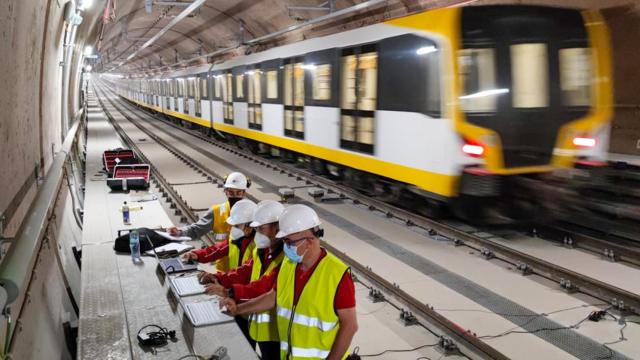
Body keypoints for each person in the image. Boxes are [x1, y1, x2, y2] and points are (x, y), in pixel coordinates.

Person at [221, 204, 358, 360]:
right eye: (284, 241)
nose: (286, 247)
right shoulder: (289, 264)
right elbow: (272, 297)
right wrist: (237, 309)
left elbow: (350, 326)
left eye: (290, 242)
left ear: (310, 240)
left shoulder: (337, 274)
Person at [202, 200, 285, 360]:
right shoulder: (263, 250)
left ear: (277, 227)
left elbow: (264, 287)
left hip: (275, 331)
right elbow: (244, 271)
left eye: (261, 229)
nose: (257, 233)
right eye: (256, 229)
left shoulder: (285, 258)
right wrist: (219, 278)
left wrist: (229, 292)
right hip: (258, 321)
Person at [170, 172, 249, 271]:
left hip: (247, 273)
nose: (235, 196)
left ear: (244, 193)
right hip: (223, 271)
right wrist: (180, 231)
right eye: (231, 192)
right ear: (225, 191)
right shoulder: (216, 212)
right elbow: (197, 229)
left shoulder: (252, 213)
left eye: (239, 192)